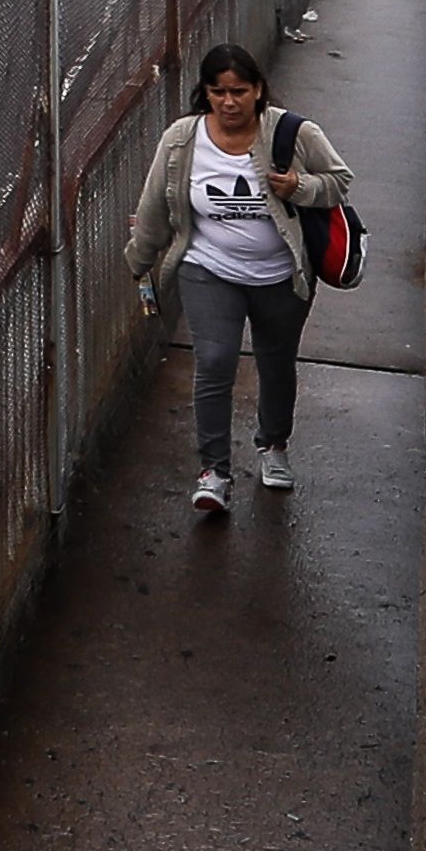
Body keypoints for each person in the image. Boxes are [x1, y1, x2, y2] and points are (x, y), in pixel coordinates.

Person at [124, 41, 355, 518]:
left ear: (258, 90)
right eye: (218, 92)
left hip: (281, 276)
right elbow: (154, 208)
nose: (229, 103)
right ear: (205, 93)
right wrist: (139, 262)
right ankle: (214, 472)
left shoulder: (294, 132)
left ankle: (273, 445)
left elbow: (339, 179)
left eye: (239, 91)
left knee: (275, 363)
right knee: (214, 359)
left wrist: (300, 187)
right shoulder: (182, 140)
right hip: (209, 269)